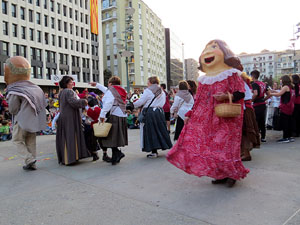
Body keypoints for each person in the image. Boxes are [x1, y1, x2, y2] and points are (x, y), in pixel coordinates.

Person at [167, 39, 249, 187]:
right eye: (206, 48)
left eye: (214, 47)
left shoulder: (232, 74)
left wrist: (225, 97)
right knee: (213, 148)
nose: (208, 51)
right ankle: (220, 173)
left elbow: (241, 93)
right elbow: (199, 100)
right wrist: (190, 115)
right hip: (210, 119)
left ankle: (232, 174)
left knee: (226, 146)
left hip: (227, 118)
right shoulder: (204, 80)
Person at [5, 56, 46, 171]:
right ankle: (32, 162)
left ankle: (29, 159)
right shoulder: (36, 88)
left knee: (17, 140)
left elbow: (13, 109)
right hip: (34, 119)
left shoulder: (16, 90)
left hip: (22, 120)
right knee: (31, 141)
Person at [90, 76, 128, 165]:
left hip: (114, 115)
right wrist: (97, 85)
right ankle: (116, 155)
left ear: (110, 84)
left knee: (110, 136)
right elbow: (106, 90)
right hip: (121, 114)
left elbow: (108, 102)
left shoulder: (111, 90)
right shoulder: (119, 90)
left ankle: (117, 154)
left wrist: (102, 115)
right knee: (114, 137)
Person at [133, 76, 172, 158]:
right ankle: (164, 146)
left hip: (150, 113)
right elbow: (163, 101)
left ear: (151, 82)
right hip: (160, 112)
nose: (147, 84)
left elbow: (141, 101)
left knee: (151, 132)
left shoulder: (148, 91)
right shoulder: (161, 91)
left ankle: (154, 151)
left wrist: (134, 103)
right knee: (160, 130)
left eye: (148, 82)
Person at [56, 76, 90, 165]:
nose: (72, 83)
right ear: (66, 83)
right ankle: (71, 158)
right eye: (71, 82)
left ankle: (66, 158)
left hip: (64, 116)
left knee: (65, 136)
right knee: (71, 136)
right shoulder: (69, 91)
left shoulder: (62, 92)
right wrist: (84, 101)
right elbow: (73, 102)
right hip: (70, 117)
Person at [84, 96, 111, 162]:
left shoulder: (89, 111)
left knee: (93, 141)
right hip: (100, 126)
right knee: (102, 141)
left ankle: (94, 155)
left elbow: (88, 120)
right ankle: (105, 154)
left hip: (93, 127)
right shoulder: (99, 109)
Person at [240, 73, 260, 161]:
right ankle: (244, 152)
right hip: (247, 107)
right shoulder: (245, 83)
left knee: (245, 131)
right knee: (246, 131)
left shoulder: (241, 83)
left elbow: (241, 96)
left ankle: (246, 153)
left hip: (245, 109)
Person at [270, 75, 295, 143]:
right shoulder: (291, 87)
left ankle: (285, 137)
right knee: (289, 121)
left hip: (285, 106)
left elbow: (279, 94)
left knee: (285, 122)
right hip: (290, 106)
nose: (280, 81)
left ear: (284, 80)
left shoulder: (285, 87)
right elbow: (282, 93)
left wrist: (270, 93)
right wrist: (274, 92)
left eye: (281, 80)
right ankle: (289, 136)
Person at [250, 70, 271, 142]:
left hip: (257, 104)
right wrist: (264, 99)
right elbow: (269, 94)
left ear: (252, 76)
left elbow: (255, 93)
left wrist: (251, 100)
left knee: (256, 121)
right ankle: (263, 137)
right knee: (262, 121)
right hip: (263, 104)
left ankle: (256, 137)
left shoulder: (254, 84)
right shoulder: (264, 84)